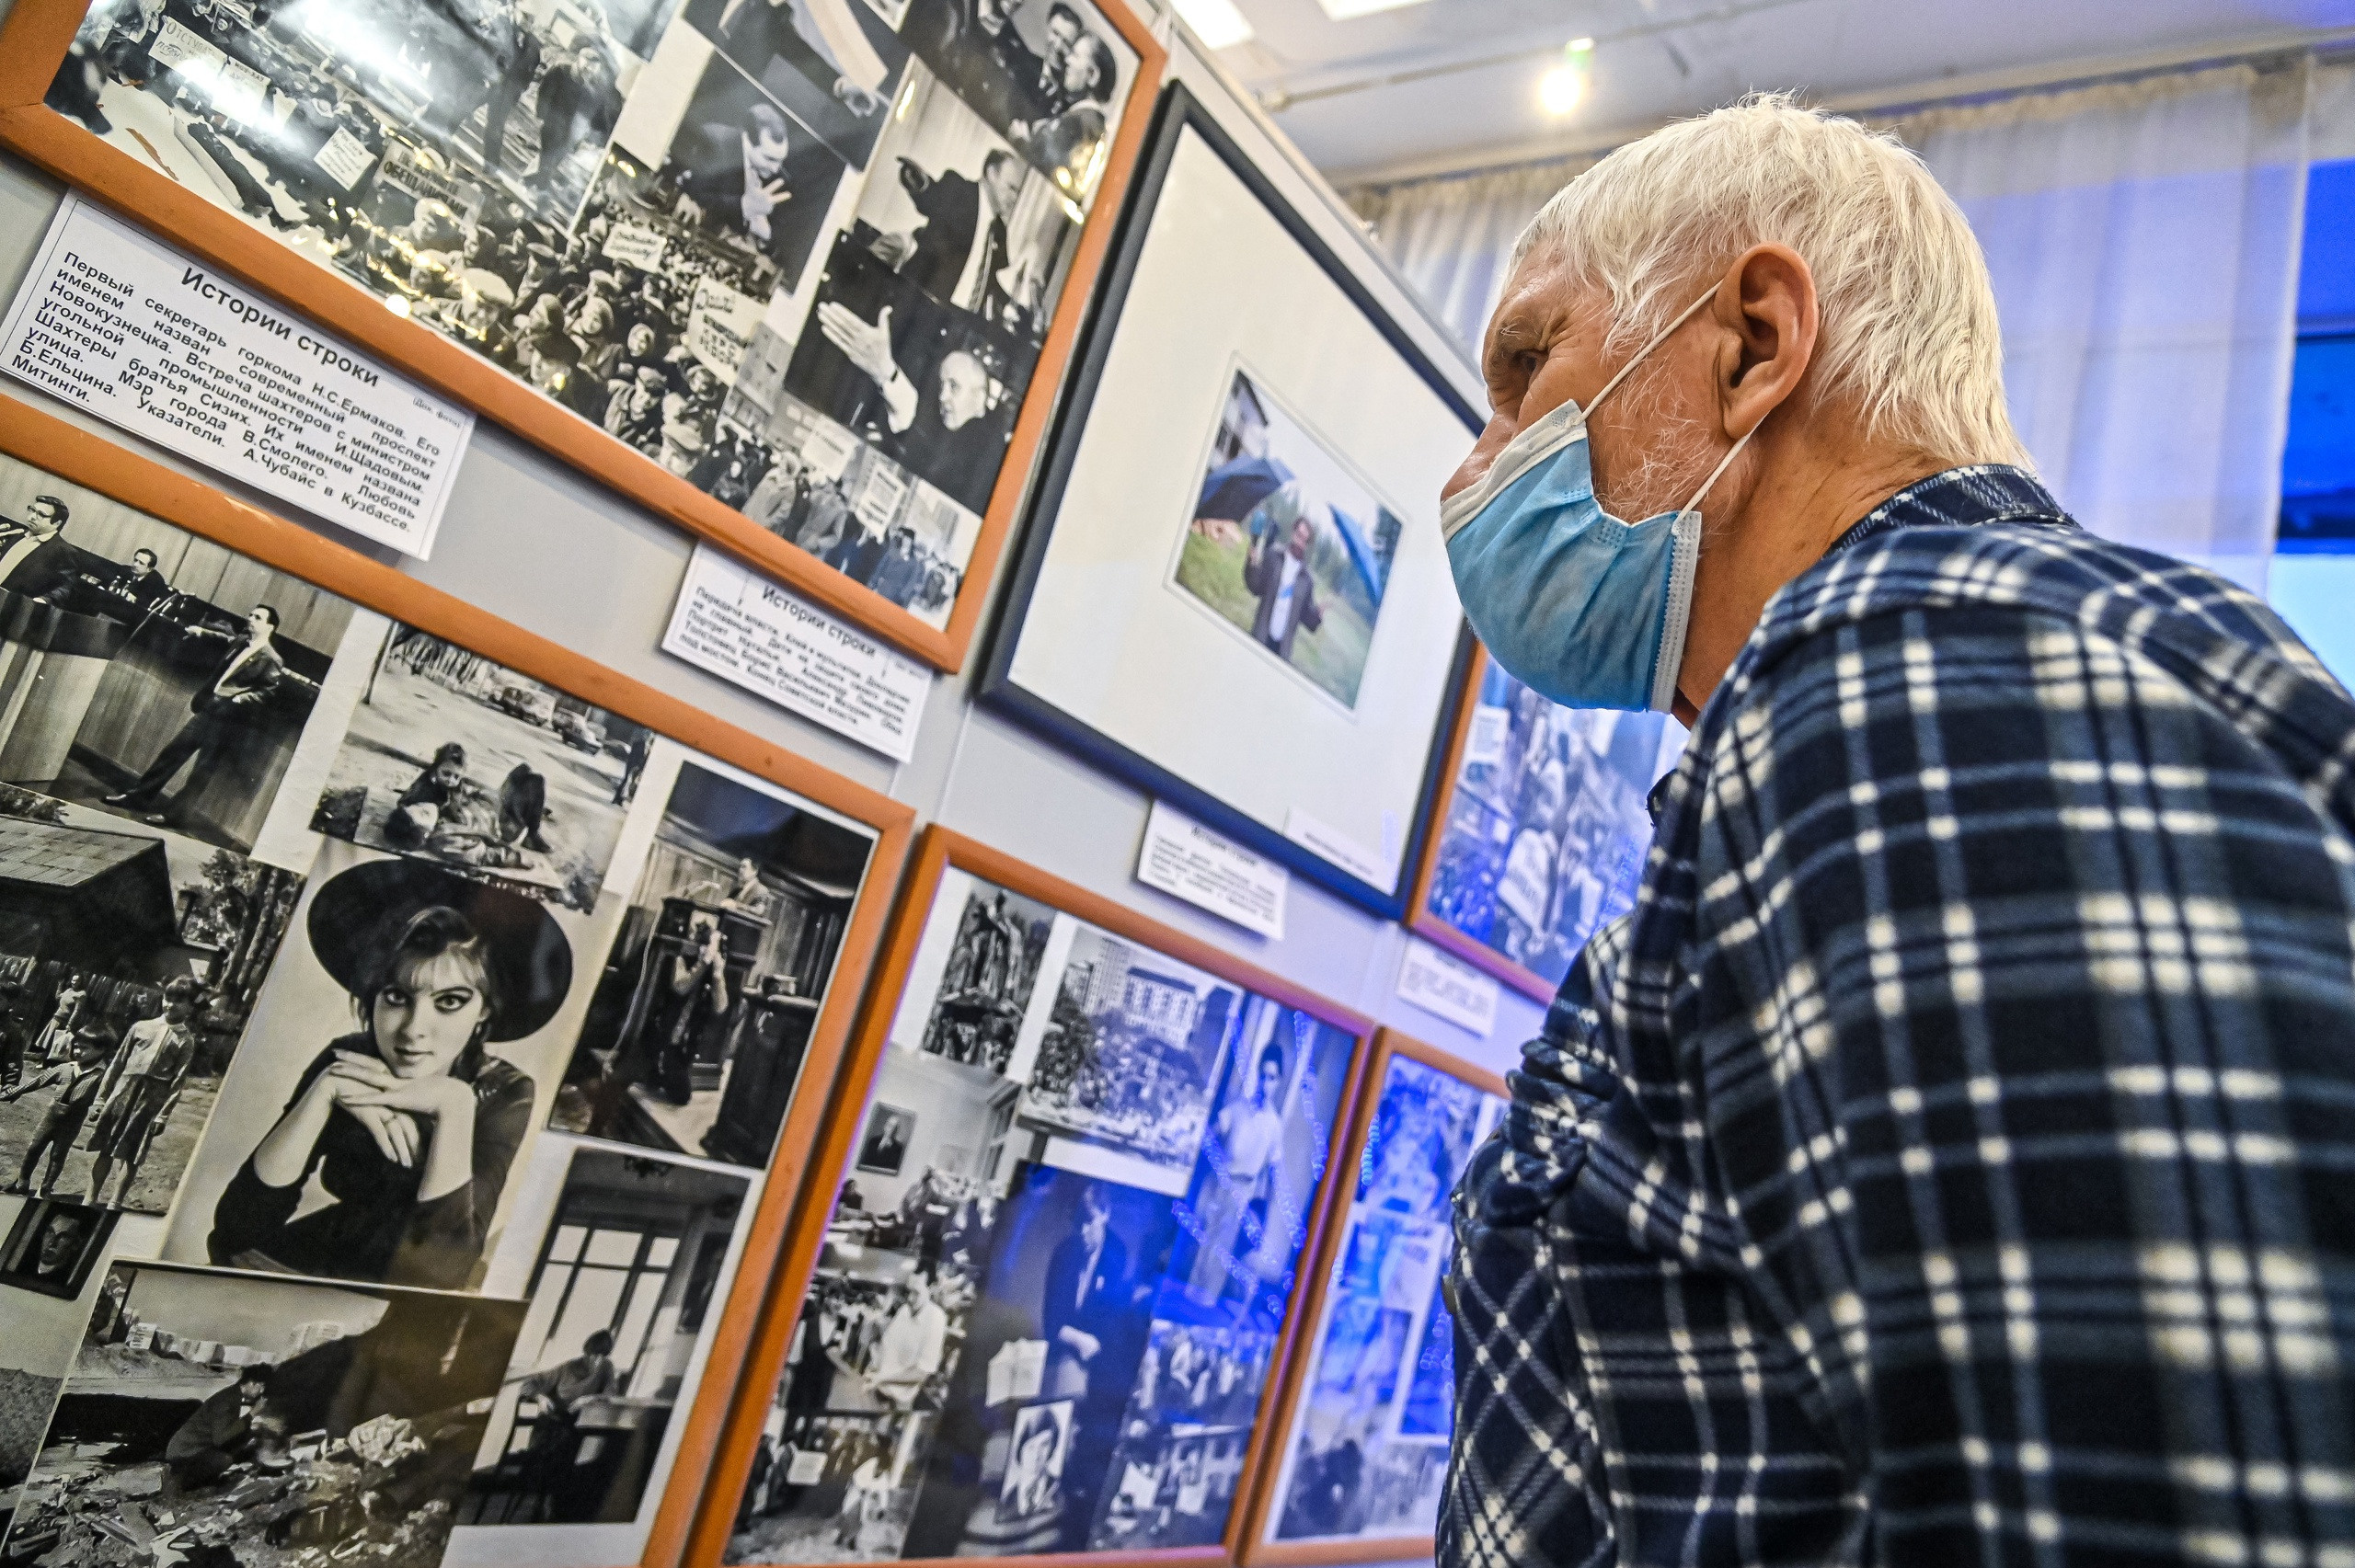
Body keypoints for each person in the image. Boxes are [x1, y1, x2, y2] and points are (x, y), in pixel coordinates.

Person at [1436, 95, 2355, 1568]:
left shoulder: (1907, 672)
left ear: (1751, 345)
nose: (1471, 470)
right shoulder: (1926, 696)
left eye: (1527, 364)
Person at [206, 860, 571, 1288]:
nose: (413, 1029)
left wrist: (454, 1106)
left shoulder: (507, 1091)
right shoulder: (348, 1058)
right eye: (396, 996)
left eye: (450, 1001)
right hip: (331, 1255)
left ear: (484, 1011)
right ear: (372, 996)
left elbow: (441, 1271)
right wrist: (325, 1090)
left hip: (408, 1287)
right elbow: (235, 1230)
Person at [103, 603, 290, 827]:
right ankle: (138, 798)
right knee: (172, 753)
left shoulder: (272, 659)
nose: (250, 618)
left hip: (229, 720)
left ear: (270, 627)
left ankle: (174, 816)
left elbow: (267, 692)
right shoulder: (242, 641)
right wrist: (200, 631)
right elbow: (224, 639)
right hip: (209, 709)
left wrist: (240, 699)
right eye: (250, 614)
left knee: (201, 772)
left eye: (257, 618)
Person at [84, 976, 201, 1207]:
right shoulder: (141, 1027)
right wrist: (101, 1099)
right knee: (106, 1147)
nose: (170, 1005)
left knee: (132, 1155)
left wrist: (163, 1114)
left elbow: (178, 1081)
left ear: (190, 1007)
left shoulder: (186, 1040)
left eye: (179, 1001)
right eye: (168, 998)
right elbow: (117, 1064)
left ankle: (115, 1202)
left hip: (150, 1100)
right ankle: (90, 1197)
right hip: (123, 1091)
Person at [869, 152, 1024, 319]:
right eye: (1011, 188)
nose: (1015, 198)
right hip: (919, 306)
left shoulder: (1000, 231)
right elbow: (931, 198)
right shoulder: (959, 190)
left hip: (957, 321)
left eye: (1018, 192)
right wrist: (919, 183)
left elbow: (998, 280)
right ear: (992, 173)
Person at [516, 1327, 618, 1519]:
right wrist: (540, 1397)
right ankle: (543, 1502)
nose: (595, 1361)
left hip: (579, 1426)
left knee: (583, 1455)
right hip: (554, 1423)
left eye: (601, 1357)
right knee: (559, 1447)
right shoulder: (567, 1368)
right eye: (592, 1356)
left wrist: (586, 1400)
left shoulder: (606, 1367)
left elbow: (610, 1393)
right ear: (585, 1352)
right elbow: (530, 1383)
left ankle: (559, 1506)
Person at [3, 1024, 115, 1196]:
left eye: (84, 1048)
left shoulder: (101, 1075)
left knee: (57, 1155)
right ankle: (22, 1182)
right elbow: (38, 1081)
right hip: (51, 1116)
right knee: (34, 1148)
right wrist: (14, 1091)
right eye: (76, 1045)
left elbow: (103, 1096)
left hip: (72, 1121)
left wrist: (97, 1109)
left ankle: (46, 1187)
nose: (77, 1051)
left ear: (101, 1050)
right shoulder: (66, 1068)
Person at [165, 1365, 278, 1489]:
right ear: (251, 1383)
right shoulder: (226, 1401)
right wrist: (252, 1414)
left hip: (195, 1448)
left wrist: (251, 1430)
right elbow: (221, 1439)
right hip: (184, 1454)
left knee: (248, 1438)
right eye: (260, 1386)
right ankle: (188, 1485)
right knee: (225, 1459)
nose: (261, 1391)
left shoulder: (234, 1395)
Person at [1242, 515, 1323, 661]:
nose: (1300, 542)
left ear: (1308, 545)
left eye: (1305, 540)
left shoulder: (1307, 580)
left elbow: (1306, 618)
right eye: (1299, 535)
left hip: (1281, 652)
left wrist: (1317, 615)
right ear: (1293, 533)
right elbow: (1255, 587)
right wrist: (1252, 565)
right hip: (1261, 636)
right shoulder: (1274, 556)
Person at [0, 495, 90, 601]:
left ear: (57, 523)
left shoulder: (63, 551)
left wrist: (43, 600)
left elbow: (65, 589)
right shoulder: (17, 534)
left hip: (14, 608)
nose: (32, 517)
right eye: (32, 510)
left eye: (41, 515)